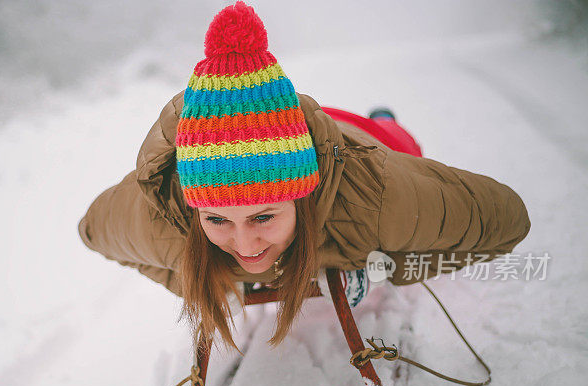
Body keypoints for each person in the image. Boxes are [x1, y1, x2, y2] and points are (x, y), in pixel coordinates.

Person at [77, 2, 530, 354]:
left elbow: (507, 222)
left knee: (398, 135)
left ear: (302, 199)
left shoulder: (371, 194)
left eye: (263, 216)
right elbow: (92, 232)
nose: (246, 246)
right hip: (292, 133)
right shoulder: (164, 218)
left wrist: (382, 266)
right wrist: (201, 277)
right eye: (217, 220)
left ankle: (384, 114)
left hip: (359, 136)